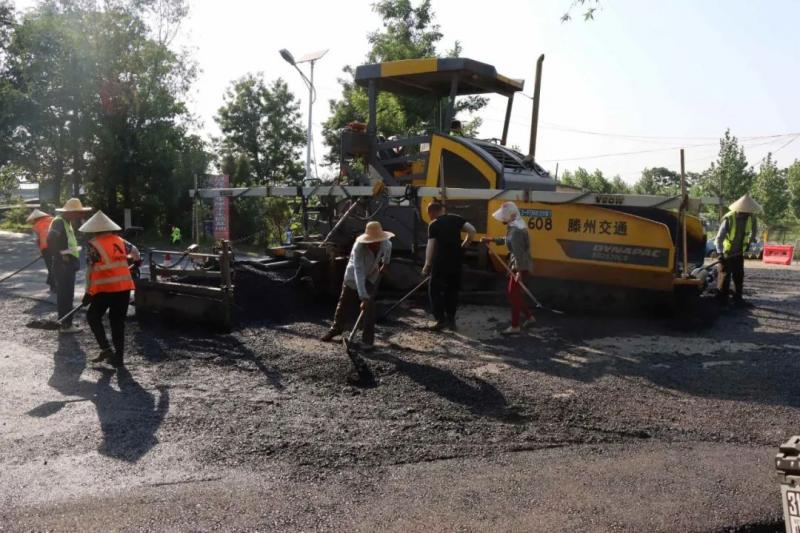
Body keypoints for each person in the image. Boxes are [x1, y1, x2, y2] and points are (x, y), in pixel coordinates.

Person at [79, 210, 140, 368]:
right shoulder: (120, 241)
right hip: (124, 288)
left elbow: (90, 271)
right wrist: (136, 263)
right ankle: (118, 359)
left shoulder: (93, 245)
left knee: (93, 317)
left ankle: (106, 349)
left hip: (105, 289)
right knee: (117, 323)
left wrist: (88, 293)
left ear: (94, 230)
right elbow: (135, 253)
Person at [320, 221, 393, 351]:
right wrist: (363, 296)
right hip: (353, 277)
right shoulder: (358, 247)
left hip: (372, 275)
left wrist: (385, 263)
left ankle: (367, 341)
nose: (375, 244)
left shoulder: (385, 243)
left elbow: (389, 247)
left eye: (377, 241)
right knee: (344, 304)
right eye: (372, 241)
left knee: (369, 308)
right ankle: (336, 329)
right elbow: (358, 271)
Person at [482, 201, 535, 335]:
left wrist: (519, 272)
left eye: (504, 216)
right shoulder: (516, 226)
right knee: (515, 295)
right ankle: (529, 317)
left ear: (511, 215)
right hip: (519, 265)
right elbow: (507, 240)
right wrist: (492, 240)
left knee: (513, 294)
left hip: (520, 266)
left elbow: (518, 253)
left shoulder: (516, 231)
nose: (502, 219)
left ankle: (515, 326)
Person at [421, 202, 476, 330]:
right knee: (452, 290)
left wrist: (427, 265)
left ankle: (440, 320)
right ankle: (451, 320)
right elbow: (472, 230)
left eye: (429, 214)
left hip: (440, 262)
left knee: (434, 290)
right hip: (456, 261)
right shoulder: (456, 218)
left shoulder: (433, 224)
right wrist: (465, 245)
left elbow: (431, 246)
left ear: (432, 212)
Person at [47, 197, 92, 333]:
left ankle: (66, 322)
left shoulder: (66, 222)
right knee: (65, 295)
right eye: (77, 212)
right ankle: (66, 325)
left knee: (67, 294)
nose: (78, 215)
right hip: (63, 264)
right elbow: (51, 239)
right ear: (70, 212)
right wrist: (62, 254)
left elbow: (63, 241)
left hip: (67, 264)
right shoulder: (59, 222)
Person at [714, 193, 761, 307]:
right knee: (725, 276)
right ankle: (722, 301)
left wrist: (749, 244)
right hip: (727, 253)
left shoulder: (752, 219)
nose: (750, 213)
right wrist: (720, 253)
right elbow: (719, 239)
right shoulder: (729, 219)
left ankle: (737, 299)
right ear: (741, 210)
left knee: (739, 276)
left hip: (739, 253)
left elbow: (754, 233)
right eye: (748, 212)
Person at [26, 209, 55, 291]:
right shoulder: (54, 220)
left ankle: (53, 286)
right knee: (55, 266)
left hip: (46, 248)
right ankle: (51, 283)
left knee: (50, 267)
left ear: (35, 218)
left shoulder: (36, 226)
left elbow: (37, 239)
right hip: (57, 246)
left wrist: (42, 251)